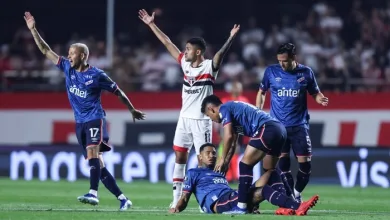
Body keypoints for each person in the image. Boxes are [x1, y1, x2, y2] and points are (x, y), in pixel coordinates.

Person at [24, 12, 145, 210]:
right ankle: (124, 199)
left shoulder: (97, 75)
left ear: (82, 56)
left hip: (95, 118)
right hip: (79, 122)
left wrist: (131, 109)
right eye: (69, 53)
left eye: (72, 53)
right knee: (98, 164)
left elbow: (118, 91)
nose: (68, 56)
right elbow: (45, 50)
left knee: (92, 153)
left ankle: (93, 193)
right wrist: (33, 30)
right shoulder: (67, 67)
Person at [138, 9, 240, 209]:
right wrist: (151, 24)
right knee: (179, 156)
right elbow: (168, 42)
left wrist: (230, 38)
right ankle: (176, 199)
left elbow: (220, 55)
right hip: (184, 119)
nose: (185, 52)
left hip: (201, 121)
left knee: (207, 162)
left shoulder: (209, 68)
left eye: (188, 49)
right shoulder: (185, 64)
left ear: (199, 52)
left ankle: (211, 197)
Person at [201, 94, 300, 214]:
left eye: (209, 116)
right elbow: (233, 141)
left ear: (212, 109)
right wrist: (227, 161)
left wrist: (221, 158)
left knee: (245, 165)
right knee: (270, 170)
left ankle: (241, 206)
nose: (211, 120)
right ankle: (291, 203)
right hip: (279, 129)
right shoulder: (233, 110)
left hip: (266, 128)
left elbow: (228, 136)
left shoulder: (224, 109)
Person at [255, 43, 328, 203]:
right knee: (283, 164)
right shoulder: (271, 72)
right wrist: (259, 111)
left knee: (305, 166)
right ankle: (292, 198)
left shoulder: (306, 73)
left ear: (294, 58)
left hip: (299, 126)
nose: (282, 64)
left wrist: (319, 98)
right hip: (278, 128)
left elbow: (315, 93)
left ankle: (296, 192)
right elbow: (261, 92)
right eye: (279, 60)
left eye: (285, 61)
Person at [169, 143, 319, 215]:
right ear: (199, 157)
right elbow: (185, 197)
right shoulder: (193, 172)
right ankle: (296, 206)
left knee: (272, 173)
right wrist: (176, 208)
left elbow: (231, 147)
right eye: (208, 153)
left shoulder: (218, 171)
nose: (212, 156)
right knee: (264, 190)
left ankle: (285, 206)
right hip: (220, 203)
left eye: (214, 153)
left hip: (233, 197)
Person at [219, 81, 249, 182]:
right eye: (235, 87)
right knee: (225, 150)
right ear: (231, 89)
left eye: (239, 88)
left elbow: (247, 117)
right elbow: (220, 118)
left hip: (239, 129)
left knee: (235, 150)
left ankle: (234, 175)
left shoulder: (244, 101)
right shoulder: (225, 101)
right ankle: (227, 174)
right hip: (226, 129)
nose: (237, 90)